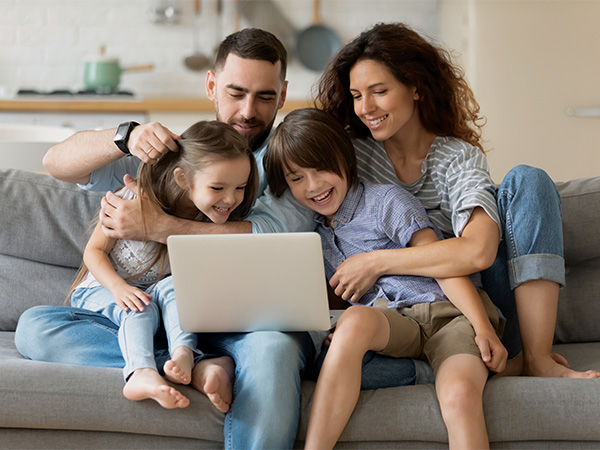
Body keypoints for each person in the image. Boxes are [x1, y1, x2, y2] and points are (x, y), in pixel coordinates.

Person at [15, 28, 417, 450]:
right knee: (35, 327)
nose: (248, 110)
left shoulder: (290, 165)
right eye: (236, 92)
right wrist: (125, 136)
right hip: (165, 319)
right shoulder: (179, 155)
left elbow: (261, 235)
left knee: (273, 351)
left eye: (264, 97)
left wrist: (156, 226)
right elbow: (57, 163)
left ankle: (205, 362)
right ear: (211, 85)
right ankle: (200, 365)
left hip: (252, 324)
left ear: (282, 96)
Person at [313, 22, 600, 379]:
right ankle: (466, 369)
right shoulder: (349, 159)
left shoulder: (457, 158)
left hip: (480, 310)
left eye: (379, 91)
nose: (365, 107)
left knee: (529, 179)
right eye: (356, 95)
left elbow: (478, 252)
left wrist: (375, 262)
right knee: (329, 363)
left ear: (416, 88)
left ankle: (535, 358)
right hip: (395, 320)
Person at [264, 107, 506, 449]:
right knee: (353, 321)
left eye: (321, 169)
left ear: (345, 159)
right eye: (297, 178)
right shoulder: (314, 235)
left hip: (448, 315)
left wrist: (482, 328)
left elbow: (444, 266)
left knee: (459, 393)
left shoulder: (385, 202)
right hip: (395, 324)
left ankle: (484, 366)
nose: (313, 186)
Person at [67, 120, 257, 409]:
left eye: (240, 187)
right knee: (136, 307)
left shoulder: (211, 221)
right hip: (104, 291)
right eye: (218, 187)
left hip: (158, 310)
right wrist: (119, 289)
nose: (231, 198)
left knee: (172, 288)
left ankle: (182, 353)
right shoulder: (133, 199)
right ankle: (143, 372)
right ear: (182, 178)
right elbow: (93, 252)